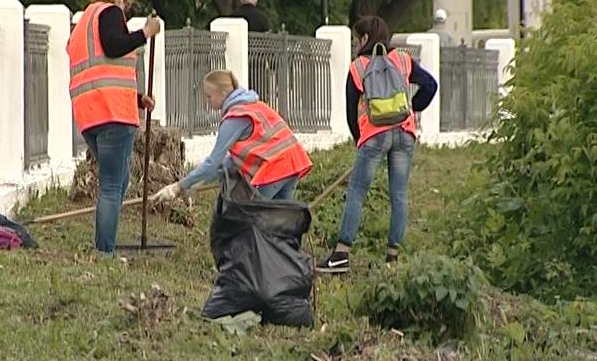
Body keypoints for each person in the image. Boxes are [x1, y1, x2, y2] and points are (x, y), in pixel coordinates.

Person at [316, 15, 438, 273]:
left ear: (363, 38)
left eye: (355, 39)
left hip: (374, 135)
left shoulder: (358, 66)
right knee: (400, 196)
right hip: (404, 133)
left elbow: (351, 112)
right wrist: (411, 108)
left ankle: (341, 255)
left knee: (357, 193)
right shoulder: (403, 60)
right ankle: (392, 259)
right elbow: (430, 85)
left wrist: (359, 139)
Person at [67, 0, 161, 253]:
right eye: (125, 2)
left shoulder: (83, 23)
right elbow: (114, 45)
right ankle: (104, 251)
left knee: (119, 181)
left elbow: (101, 70)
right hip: (113, 115)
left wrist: (137, 99)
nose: (124, 8)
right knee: (111, 185)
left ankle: (104, 243)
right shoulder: (109, 13)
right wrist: (145, 34)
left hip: (90, 114)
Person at [150, 69, 312, 203]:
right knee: (280, 227)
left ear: (222, 93)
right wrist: (193, 183)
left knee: (247, 225)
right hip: (292, 164)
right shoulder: (253, 105)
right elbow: (229, 163)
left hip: (274, 170)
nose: (207, 102)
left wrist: (177, 187)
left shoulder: (234, 118)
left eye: (209, 96)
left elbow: (213, 162)